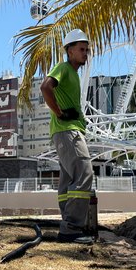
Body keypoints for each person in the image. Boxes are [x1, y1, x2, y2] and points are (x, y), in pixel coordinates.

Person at [40, 29, 95, 244]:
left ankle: (67, 225)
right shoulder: (63, 68)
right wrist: (61, 113)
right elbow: (45, 87)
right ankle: (72, 227)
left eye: (86, 49)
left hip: (67, 131)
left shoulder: (73, 73)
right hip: (67, 131)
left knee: (68, 180)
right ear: (69, 50)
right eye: (81, 49)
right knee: (84, 173)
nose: (85, 53)